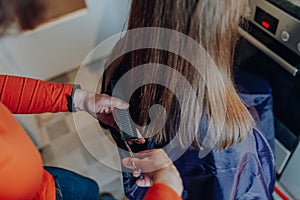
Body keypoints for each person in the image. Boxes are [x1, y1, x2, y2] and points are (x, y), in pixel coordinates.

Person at [102, 0, 276, 199]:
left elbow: (113, 125)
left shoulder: (120, 60)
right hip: (172, 182)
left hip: (151, 179)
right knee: (261, 91)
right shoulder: (231, 135)